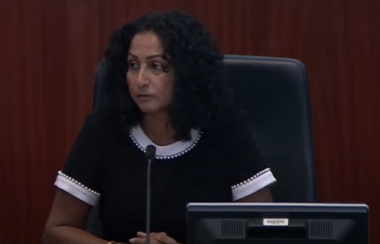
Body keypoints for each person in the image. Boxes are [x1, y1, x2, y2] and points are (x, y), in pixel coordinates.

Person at [43, 11, 277, 244]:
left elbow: (262, 232)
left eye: (156, 66)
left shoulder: (225, 127)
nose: (140, 80)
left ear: (187, 72)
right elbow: (56, 230)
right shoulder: (104, 127)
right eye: (133, 65)